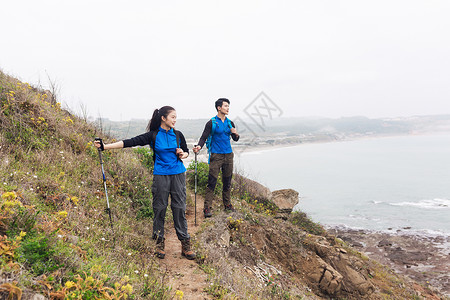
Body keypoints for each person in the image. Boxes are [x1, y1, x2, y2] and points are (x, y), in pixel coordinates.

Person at [94, 106, 195, 260]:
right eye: (173, 117)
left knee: (179, 209)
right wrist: (105, 147)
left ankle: (185, 244)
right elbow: (130, 142)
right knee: (159, 208)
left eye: (176, 117)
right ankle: (159, 243)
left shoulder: (178, 135)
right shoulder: (153, 135)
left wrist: (183, 153)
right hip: (161, 175)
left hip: (178, 175)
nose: (175, 120)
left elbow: (186, 151)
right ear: (163, 118)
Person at [193, 98, 240, 218]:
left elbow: (235, 139)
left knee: (227, 181)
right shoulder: (212, 123)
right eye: (225, 106)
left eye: (228, 106)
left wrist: (235, 133)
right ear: (219, 108)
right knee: (212, 182)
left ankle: (227, 204)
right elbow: (203, 137)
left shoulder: (230, 123)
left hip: (228, 155)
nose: (228, 108)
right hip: (216, 155)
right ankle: (207, 208)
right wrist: (199, 146)